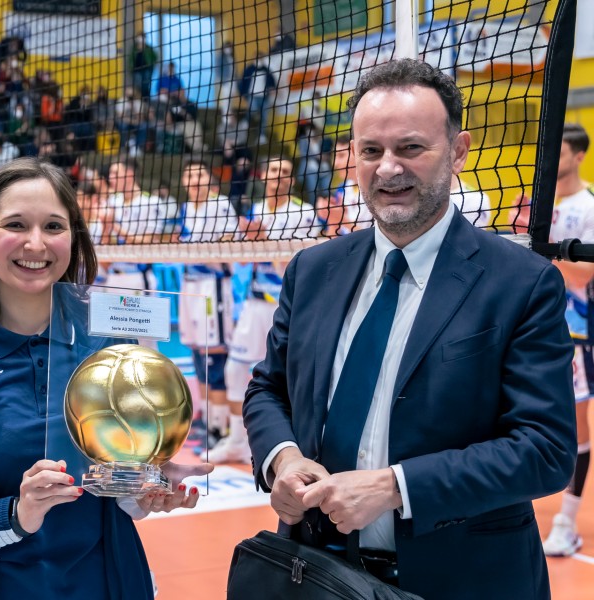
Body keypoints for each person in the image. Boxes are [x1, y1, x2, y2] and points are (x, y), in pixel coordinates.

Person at [243, 59, 576, 599]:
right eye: (371, 150)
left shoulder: (521, 282)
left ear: (459, 151)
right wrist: (283, 458)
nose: (388, 168)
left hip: (462, 580)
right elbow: (267, 388)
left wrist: (395, 487)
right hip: (316, 572)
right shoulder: (313, 270)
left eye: (411, 147)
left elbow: (545, 449)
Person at [0, 157, 212, 599]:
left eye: (53, 226)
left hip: (99, 585)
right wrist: (11, 515)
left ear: (73, 238)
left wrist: (146, 480)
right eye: (15, 224)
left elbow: (112, 489)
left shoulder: (114, 350)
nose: (35, 243)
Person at [217, 157, 320, 463]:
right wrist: (245, 243)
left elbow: (302, 266)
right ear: (263, 176)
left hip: (288, 306)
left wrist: (265, 242)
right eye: (274, 170)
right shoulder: (255, 210)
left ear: (291, 180)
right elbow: (239, 260)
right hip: (254, 303)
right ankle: (236, 441)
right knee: (235, 370)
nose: (279, 176)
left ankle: (290, 446)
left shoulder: (303, 213)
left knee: (289, 378)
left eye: (285, 172)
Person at [540, 123, 594, 557]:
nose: (551, 158)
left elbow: (583, 274)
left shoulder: (588, 205)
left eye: (560, 152)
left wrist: (543, 251)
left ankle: (565, 522)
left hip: (578, 331)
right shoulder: (542, 204)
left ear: (578, 156)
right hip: (539, 325)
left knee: (576, 423)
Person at [176, 160, 239, 454]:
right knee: (196, 353)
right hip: (188, 285)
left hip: (212, 286)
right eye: (189, 175)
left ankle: (219, 427)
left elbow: (228, 244)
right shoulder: (185, 209)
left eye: (199, 174)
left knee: (214, 357)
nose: (194, 180)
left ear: (209, 179)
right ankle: (204, 420)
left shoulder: (220, 205)